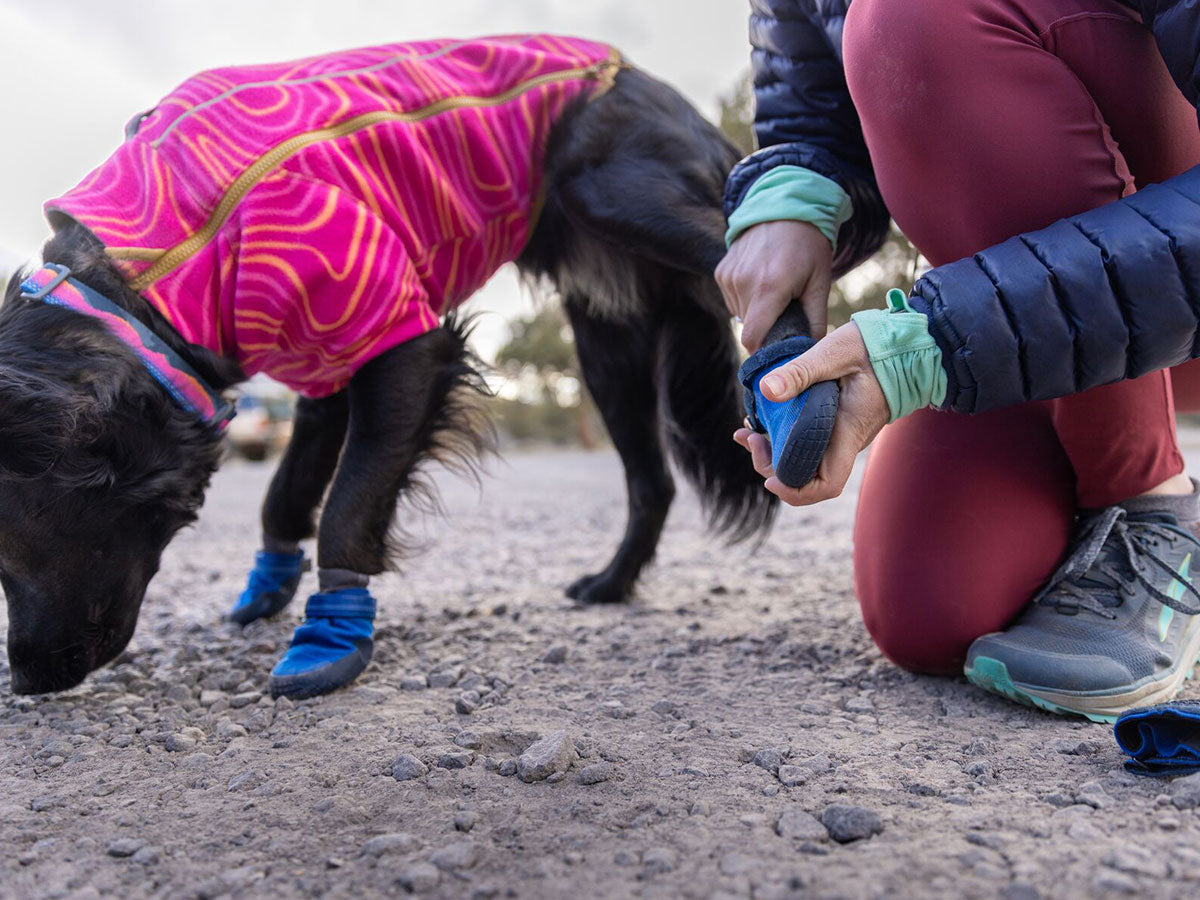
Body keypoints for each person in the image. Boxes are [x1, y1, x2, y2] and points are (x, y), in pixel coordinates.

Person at [719, 0, 1200, 721]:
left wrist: (935, 344)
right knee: (935, 608)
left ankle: (1148, 504)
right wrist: (790, 198)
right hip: (1054, 297)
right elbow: (812, 111)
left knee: (911, 19)